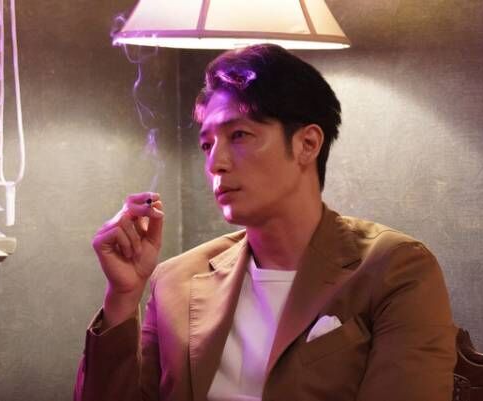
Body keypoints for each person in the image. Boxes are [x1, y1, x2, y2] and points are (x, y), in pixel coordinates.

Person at [74, 44, 457, 401]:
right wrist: (122, 296)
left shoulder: (395, 269)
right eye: (207, 144)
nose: (215, 163)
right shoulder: (177, 280)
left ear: (307, 144)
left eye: (239, 135)